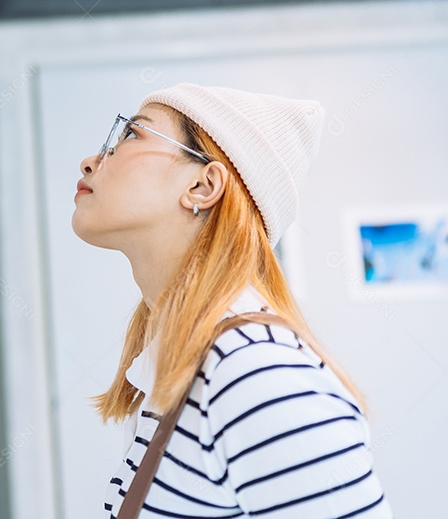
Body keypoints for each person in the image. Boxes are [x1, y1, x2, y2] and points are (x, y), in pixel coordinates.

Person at [72, 83, 392, 518]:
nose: (90, 161)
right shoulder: (192, 366)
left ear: (203, 186)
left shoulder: (256, 369)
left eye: (132, 134)